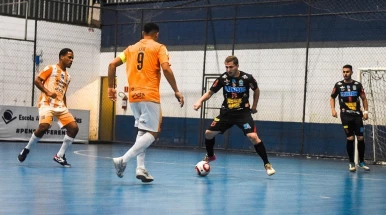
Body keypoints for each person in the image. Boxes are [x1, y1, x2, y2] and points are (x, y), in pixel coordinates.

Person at [107, 22, 184, 182]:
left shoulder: (130, 49)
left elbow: (112, 64)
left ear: (143, 33)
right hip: (149, 95)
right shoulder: (159, 47)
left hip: (134, 96)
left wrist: (110, 87)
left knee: (142, 131)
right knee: (154, 132)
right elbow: (166, 68)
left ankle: (140, 168)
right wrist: (176, 90)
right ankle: (123, 160)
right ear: (157, 34)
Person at [193, 56, 276, 176]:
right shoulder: (223, 78)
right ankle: (210, 156)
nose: (228, 69)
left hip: (243, 114)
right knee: (208, 133)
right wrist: (199, 101)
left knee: (252, 136)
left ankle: (267, 164)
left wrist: (254, 106)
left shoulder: (247, 78)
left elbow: (256, 90)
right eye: (226, 67)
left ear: (237, 66)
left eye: (231, 67)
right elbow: (210, 92)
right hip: (226, 113)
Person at [17, 48, 79, 167]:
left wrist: (65, 108)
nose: (71, 60)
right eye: (69, 57)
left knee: (74, 128)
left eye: (72, 58)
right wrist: (47, 92)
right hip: (47, 103)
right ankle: (26, 149)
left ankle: (60, 156)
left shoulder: (68, 77)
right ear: (61, 57)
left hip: (60, 106)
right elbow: (37, 81)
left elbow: (64, 94)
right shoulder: (50, 68)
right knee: (44, 127)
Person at [330, 64, 370, 172]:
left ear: (351, 72)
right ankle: (351, 163)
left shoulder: (357, 85)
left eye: (347, 72)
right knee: (350, 138)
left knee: (360, 138)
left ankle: (361, 162)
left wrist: (365, 112)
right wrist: (333, 109)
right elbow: (332, 98)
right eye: (343, 72)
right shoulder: (338, 85)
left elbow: (364, 99)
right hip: (345, 116)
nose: (345, 74)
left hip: (357, 116)